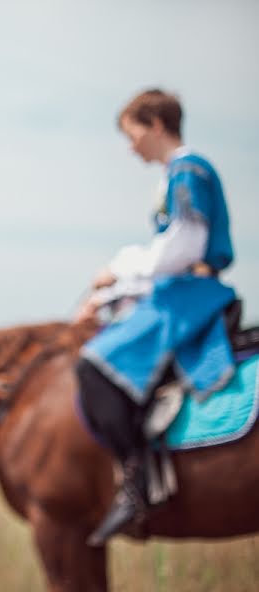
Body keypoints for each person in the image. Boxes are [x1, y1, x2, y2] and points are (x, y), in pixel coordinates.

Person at [75, 89, 236, 546]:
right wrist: (111, 293)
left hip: (187, 294)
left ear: (157, 125)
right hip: (174, 289)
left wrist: (117, 270)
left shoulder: (187, 170)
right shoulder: (177, 174)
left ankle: (137, 481)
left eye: (133, 134)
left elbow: (179, 251)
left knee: (94, 365)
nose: (131, 147)